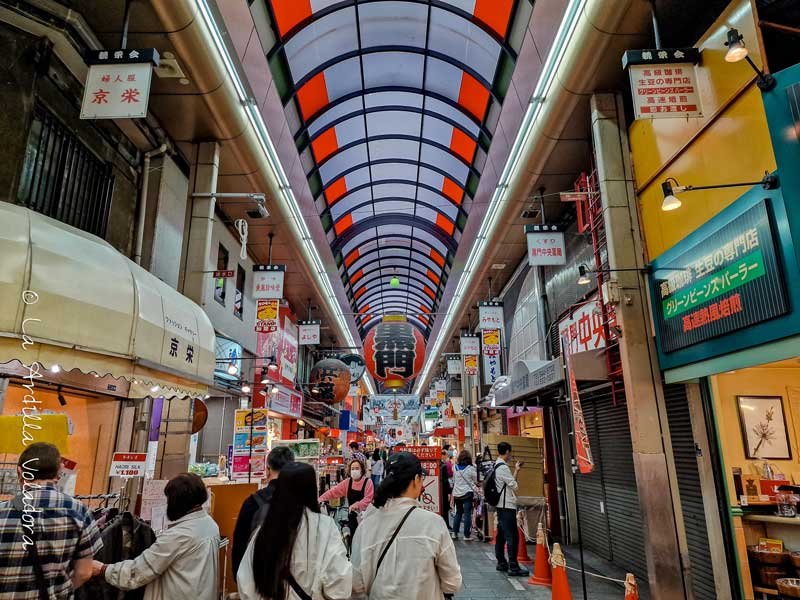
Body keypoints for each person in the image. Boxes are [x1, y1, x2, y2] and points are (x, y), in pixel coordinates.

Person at [351, 452, 462, 600]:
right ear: (416, 479)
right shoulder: (433, 524)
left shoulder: (366, 526)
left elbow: (356, 586)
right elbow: (452, 583)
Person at [92, 473, 220, 599]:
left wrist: (102, 569)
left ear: (177, 501)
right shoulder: (210, 524)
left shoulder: (179, 535)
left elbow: (137, 572)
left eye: (169, 499)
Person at [0, 442, 102, 600]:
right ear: (59, 472)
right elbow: (84, 572)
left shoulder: (2, 512)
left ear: (20, 472)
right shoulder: (78, 511)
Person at [237, 463, 351, 600]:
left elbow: (246, 584)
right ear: (312, 490)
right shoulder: (324, 528)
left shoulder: (264, 530)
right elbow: (338, 583)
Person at [232, 445, 294, 575]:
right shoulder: (302, 501)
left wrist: (240, 579)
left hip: (259, 578)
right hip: (294, 580)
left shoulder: (252, 502)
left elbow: (240, 546)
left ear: (268, 470)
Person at [493, 442, 529, 577]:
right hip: (506, 505)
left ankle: (501, 562)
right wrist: (515, 478)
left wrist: (516, 470)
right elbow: (514, 486)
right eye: (510, 452)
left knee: (501, 536)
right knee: (512, 536)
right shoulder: (502, 467)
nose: (511, 455)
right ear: (507, 451)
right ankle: (513, 566)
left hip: (501, 506)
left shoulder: (497, 465)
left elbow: (507, 483)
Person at [318, 458, 374, 536]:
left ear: (362, 470)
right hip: (352, 516)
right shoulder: (347, 482)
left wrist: (357, 505)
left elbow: (368, 499)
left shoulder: (368, 482)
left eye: (357, 468)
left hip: (366, 517)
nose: (354, 470)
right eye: (352, 469)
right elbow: (334, 491)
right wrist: (320, 499)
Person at [451, 449, 478, 541]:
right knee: (467, 514)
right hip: (467, 493)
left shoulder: (455, 467)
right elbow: (476, 480)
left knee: (458, 513)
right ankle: (466, 535)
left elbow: (454, 479)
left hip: (457, 494)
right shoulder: (471, 468)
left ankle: (454, 533)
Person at [439, 445, 454, 529]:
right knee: (445, 508)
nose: (447, 454)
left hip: (442, 490)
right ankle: (446, 524)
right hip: (444, 491)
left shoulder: (442, 464)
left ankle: (446, 524)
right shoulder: (444, 465)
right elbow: (445, 480)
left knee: (445, 508)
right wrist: (449, 491)